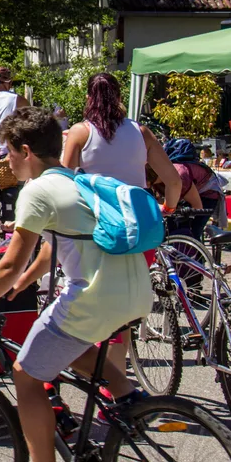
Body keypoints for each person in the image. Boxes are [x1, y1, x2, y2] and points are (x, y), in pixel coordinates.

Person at [0, 107, 151, 462]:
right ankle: (127, 395)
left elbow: (11, 262)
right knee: (67, 344)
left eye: (9, 154)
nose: (7, 162)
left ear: (26, 152)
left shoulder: (37, 190)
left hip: (95, 296)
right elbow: (53, 246)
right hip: (135, 291)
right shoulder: (79, 180)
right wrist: (27, 282)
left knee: (25, 375)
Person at [60, 72, 181, 376]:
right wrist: (168, 206)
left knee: (98, 308)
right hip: (140, 231)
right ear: (119, 98)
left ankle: (107, 383)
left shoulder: (80, 132)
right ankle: (115, 381)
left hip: (99, 231)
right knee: (122, 316)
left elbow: (61, 181)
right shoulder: (141, 132)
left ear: (89, 98)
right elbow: (173, 180)